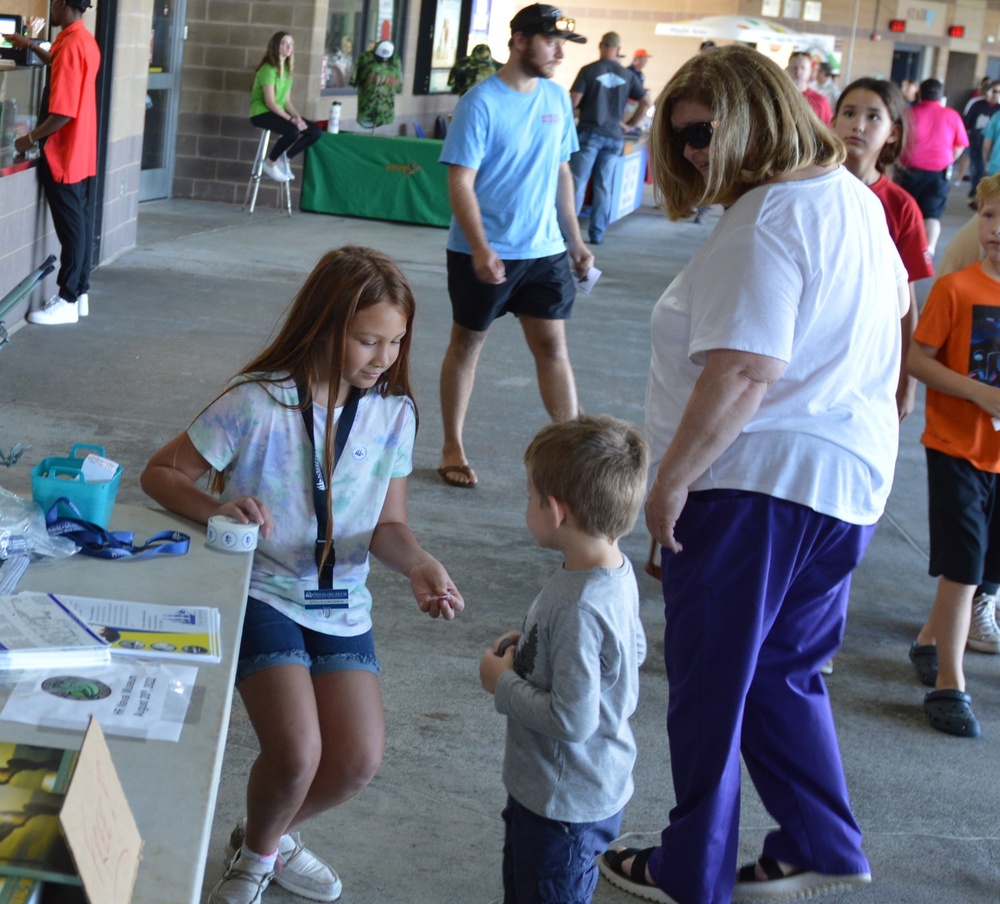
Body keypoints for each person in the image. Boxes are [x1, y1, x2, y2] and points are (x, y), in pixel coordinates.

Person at [597, 45, 907, 904]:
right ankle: (820, 840)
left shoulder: (768, 216)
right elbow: (890, 321)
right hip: (845, 483)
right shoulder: (852, 199)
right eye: (683, 137)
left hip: (754, 485)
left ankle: (690, 870)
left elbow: (743, 370)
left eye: (707, 131)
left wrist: (669, 485)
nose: (695, 152)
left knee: (712, 684)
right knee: (780, 672)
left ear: (759, 114)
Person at [140, 245, 465, 904]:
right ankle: (258, 861)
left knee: (354, 763)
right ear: (323, 328)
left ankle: (263, 838)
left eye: (396, 342)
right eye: (369, 340)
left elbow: (386, 527)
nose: (384, 358)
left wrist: (420, 564)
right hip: (261, 589)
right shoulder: (258, 403)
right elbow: (162, 472)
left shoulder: (395, 414)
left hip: (342, 601)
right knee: (295, 754)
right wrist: (217, 507)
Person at [479, 414, 647, 904]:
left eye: (530, 496)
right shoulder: (613, 570)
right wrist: (536, 648)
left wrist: (502, 682)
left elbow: (572, 720)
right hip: (579, 788)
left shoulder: (578, 605)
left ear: (555, 510)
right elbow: (628, 651)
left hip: (561, 804)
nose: (527, 505)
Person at [435, 4, 594, 489]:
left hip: (543, 251)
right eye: (551, 41)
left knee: (552, 346)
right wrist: (481, 248)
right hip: (482, 251)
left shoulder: (556, 98)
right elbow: (461, 181)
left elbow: (561, 172)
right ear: (520, 41)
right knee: (467, 344)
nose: (560, 52)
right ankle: (452, 446)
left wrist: (576, 241)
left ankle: (572, 452)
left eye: (563, 43)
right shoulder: (480, 102)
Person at [905, 174, 1000, 739]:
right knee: (963, 568)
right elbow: (919, 360)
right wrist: (977, 391)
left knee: (984, 570)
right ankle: (950, 682)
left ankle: (925, 642)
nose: (996, 231)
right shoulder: (957, 288)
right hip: (956, 449)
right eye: (988, 217)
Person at [832, 77, 934, 421]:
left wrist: (906, 384)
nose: (857, 125)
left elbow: (907, 305)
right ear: (833, 121)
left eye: (874, 116)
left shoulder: (901, 206)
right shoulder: (809, 190)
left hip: (869, 355)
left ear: (893, 131)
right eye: (848, 113)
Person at [6, 0, 99, 327]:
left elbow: (63, 113)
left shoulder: (72, 45)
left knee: (72, 228)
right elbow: (56, 58)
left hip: (64, 153)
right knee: (82, 224)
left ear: (61, 4)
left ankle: (68, 299)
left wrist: (29, 139)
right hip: (83, 149)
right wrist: (29, 43)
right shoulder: (81, 39)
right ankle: (81, 291)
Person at [569, 32, 651, 245]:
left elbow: (573, 102)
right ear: (618, 48)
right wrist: (630, 125)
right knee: (603, 186)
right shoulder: (628, 75)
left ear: (600, 46)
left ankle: (570, 236)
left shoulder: (588, 70)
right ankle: (597, 234)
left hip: (589, 134)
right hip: (614, 137)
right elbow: (646, 102)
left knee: (578, 183)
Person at [896, 78, 968, 256]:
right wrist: (948, 159)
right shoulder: (952, 115)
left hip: (909, 171)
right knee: (932, 214)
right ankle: (928, 252)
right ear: (940, 94)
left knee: (905, 211)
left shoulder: (908, 114)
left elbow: (897, 142)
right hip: (938, 172)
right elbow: (960, 145)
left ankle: (901, 249)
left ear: (920, 92)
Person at [249, 32, 322, 184]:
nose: (289, 47)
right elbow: (270, 102)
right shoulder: (268, 69)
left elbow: (287, 101)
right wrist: (292, 120)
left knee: (315, 131)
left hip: (278, 111)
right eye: (284, 43)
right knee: (293, 131)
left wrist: (298, 117)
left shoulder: (288, 71)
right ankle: (269, 163)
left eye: (291, 44)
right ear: (276, 46)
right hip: (261, 113)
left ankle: (285, 159)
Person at [964, 80, 1000, 200]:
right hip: (976, 142)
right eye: (994, 91)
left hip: (993, 151)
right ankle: (977, 192)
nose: (996, 94)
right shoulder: (977, 105)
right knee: (977, 169)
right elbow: (967, 123)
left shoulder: (998, 111)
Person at [787, 50, 832, 124]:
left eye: (803, 68)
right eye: (794, 67)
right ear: (788, 69)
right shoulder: (778, 97)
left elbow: (827, 131)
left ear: (810, 71)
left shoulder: (821, 102)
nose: (798, 71)